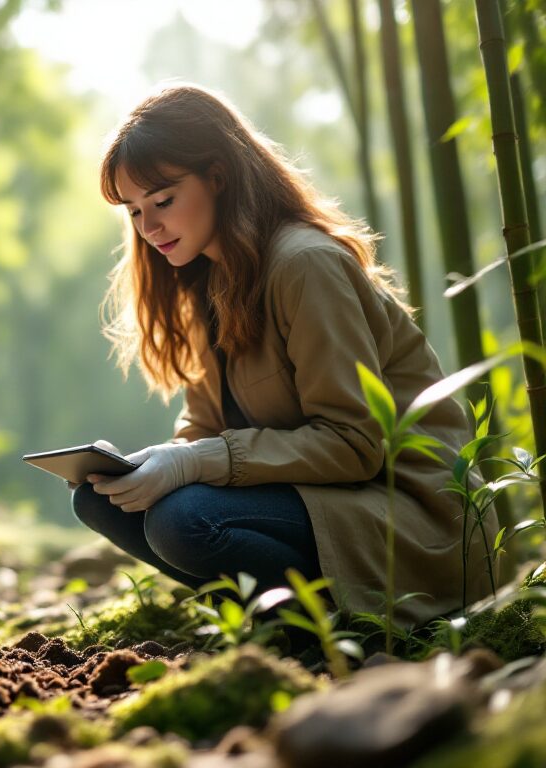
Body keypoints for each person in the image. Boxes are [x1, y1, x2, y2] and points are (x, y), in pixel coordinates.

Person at [73, 84, 502, 625]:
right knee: (99, 500)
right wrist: (145, 465)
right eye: (134, 211)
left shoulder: (306, 265)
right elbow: (204, 431)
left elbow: (355, 445)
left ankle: (323, 631)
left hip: (408, 517)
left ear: (218, 176)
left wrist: (194, 462)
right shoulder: (206, 279)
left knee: (182, 520)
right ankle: (275, 618)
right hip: (317, 502)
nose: (149, 227)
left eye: (163, 201)